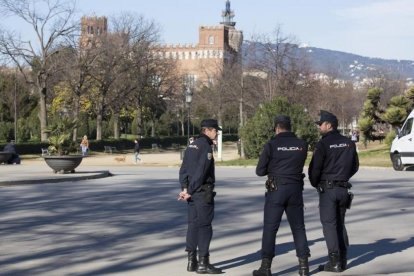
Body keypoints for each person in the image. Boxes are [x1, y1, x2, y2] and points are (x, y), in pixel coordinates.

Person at [253, 115, 310, 276]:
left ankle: (266, 267)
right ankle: (304, 267)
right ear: (290, 127)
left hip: (276, 190)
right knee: (298, 228)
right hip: (295, 190)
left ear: (277, 128)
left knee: (270, 228)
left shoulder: (271, 145)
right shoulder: (302, 145)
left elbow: (259, 171)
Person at [308, 110, 359, 272]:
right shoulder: (349, 143)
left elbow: (314, 169)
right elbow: (355, 166)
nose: (319, 127)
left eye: (320, 124)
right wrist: (343, 178)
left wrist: (316, 183)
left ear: (329, 125)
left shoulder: (323, 144)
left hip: (328, 189)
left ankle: (334, 262)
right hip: (343, 189)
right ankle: (342, 260)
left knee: (329, 225)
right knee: (340, 224)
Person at [178, 119, 223, 274]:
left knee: (193, 225)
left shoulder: (191, 145)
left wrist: (184, 188)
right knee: (204, 226)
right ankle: (203, 263)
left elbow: (183, 169)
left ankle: (191, 262)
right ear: (207, 130)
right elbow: (201, 172)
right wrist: (189, 190)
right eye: (215, 130)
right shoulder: (206, 147)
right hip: (202, 192)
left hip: (191, 192)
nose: (216, 133)